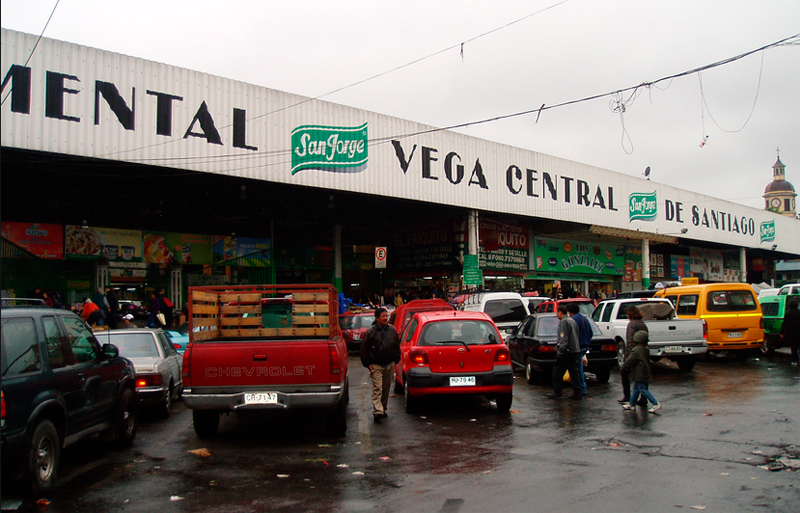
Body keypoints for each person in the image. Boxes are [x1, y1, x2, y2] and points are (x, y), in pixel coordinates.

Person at [359, 307, 401, 422]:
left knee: (386, 388)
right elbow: (364, 349)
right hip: (376, 365)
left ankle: (382, 409)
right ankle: (377, 411)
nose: (386, 318)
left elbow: (397, 345)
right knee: (378, 387)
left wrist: (396, 359)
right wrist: (368, 364)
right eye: (383, 316)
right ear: (377, 318)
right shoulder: (370, 332)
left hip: (389, 364)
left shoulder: (392, 330)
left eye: (386, 316)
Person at [620, 330, 662, 413]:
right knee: (636, 388)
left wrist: (623, 367)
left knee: (642, 388)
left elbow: (630, 361)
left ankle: (655, 403)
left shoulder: (636, 350)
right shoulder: (645, 348)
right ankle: (632, 404)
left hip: (639, 373)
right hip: (645, 372)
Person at [548, 305, 583, 400]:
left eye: (557, 312)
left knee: (557, 372)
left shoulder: (563, 322)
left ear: (560, 312)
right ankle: (577, 392)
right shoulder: (572, 321)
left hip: (566, 351)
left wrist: (560, 352)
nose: (556, 314)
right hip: (574, 350)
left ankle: (557, 391)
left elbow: (563, 338)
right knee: (574, 372)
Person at [618, 305, 648, 404]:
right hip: (643, 351)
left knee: (624, 373)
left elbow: (630, 341)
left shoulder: (631, 325)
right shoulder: (643, 324)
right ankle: (643, 398)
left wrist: (628, 357)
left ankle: (627, 396)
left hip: (634, 352)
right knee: (641, 375)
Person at [567, 303, 592, 396]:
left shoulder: (573, 320)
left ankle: (582, 387)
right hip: (585, 344)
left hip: (578, 346)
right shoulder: (584, 318)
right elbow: (590, 332)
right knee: (579, 367)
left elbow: (572, 335)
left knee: (577, 368)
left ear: (570, 312)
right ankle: (581, 387)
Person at [780, 300, 800, 366]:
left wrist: (781, 333)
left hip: (791, 333)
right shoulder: (799, 312)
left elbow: (784, 324)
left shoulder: (788, 313)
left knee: (793, 347)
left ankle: (795, 360)